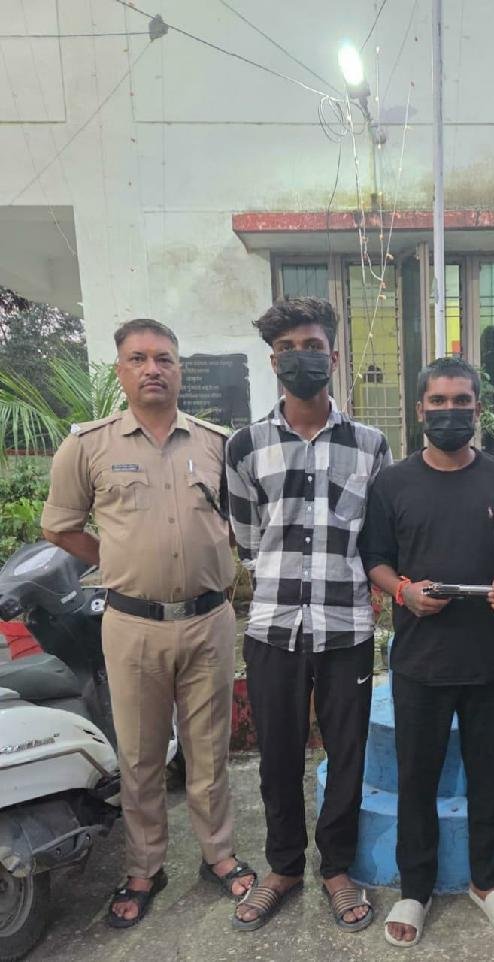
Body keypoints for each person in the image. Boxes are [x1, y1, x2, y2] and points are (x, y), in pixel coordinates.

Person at [41, 318, 255, 928]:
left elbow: (243, 522)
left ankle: (218, 854)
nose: (152, 369)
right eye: (138, 359)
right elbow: (58, 526)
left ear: (179, 369)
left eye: (164, 358)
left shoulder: (217, 445)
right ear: (121, 370)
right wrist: (117, 560)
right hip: (133, 625)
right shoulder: (89, 446)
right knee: (139, 754)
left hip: (209, 620)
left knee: (209, 749)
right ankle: (143, 866)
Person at [359, 356, 494, 947]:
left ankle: (487, 881)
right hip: (419, 661)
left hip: (488, 658)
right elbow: (375, 558)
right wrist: (403, 592)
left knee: (490, 777)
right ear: (420, 410)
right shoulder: (392, 483)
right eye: (438, 401)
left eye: (462, 401)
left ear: (477, 409)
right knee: (417, 779)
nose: (450, 411)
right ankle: (415, 888)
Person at [226, 297, 391, 932]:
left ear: (334, 356)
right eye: (288, 348)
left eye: (313, 346)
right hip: (273, 627)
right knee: (277, 755)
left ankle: (336, 867)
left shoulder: (370, 445)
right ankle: (284, 866)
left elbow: (377, 536)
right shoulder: (245, 446)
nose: (302, 357)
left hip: (346, 626)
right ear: (274, 362)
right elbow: (247, 539)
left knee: (347, 752)